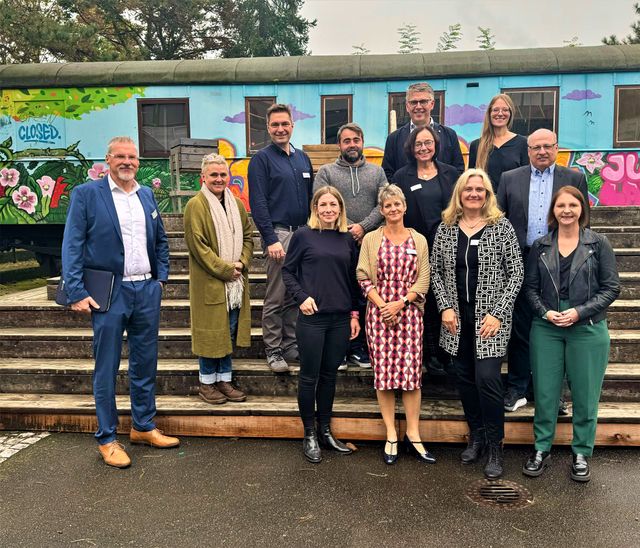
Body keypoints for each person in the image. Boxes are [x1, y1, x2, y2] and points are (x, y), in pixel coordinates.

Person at [61, 136, 177, 468]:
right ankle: (108, 438)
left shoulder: (146, 195)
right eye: (120, 157)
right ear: (108, 159)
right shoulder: (87, 194)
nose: (127, 162)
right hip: (108, 294)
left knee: (145, 364)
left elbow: (161, 241)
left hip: (145, 291)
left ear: (138, 162)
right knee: (107, 368)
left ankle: (143, 426)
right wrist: (76, 291)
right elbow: (72, 244)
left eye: (132, 157)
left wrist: (161, 279)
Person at [522, 187, 620, 482]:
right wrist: (545, 312)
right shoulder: (540, 245)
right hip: (547, 326)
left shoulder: (598, 243)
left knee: (586, 395)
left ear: (582, 208)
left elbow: (611, 287)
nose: (566, 210)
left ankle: (581, 452)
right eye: (561, 205)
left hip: (587, 328)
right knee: (546, 392)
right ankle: (541, 448)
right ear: (553, 210)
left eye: (572, 205)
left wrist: (579, 312)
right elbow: (529, 288)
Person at [430, 169, 523, 479]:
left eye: (479, 189)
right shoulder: (446, 228)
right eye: (468, 189)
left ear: (487, 195)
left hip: (489, 320)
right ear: (459, 193)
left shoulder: (501, 227)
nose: (473, 194)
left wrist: (498, 312)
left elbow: (516, 274)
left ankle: (496, 445)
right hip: (456, 319)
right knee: (465, 378)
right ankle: (477, 435)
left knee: (488, 380)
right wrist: (444, 307)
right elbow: (436, 272)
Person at [497, 128, 589, 413]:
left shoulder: (574, 178)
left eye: (547, 146)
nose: (541, 152)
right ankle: (517, 387)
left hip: (558, 258)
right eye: (536, 147)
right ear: (528, 151)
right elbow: (499, 220)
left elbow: (584, 221)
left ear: (556, 148)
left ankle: (550, 392)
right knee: (520, 325)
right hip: (518, 258)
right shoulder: (510, 179)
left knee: (553, 324)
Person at [282, 186, 360, 463]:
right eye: (323, 205)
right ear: (315, 208)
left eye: (333, 205)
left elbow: (352, 279)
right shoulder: (303, 235)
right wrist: (301, 297)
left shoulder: (347, 239)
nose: (328, 209)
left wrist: (354, 314)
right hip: (313, 319)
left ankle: (326, 430)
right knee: (309, 376)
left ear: (340, 208)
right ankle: (310, 434)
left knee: (330, 376)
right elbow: (288, 271)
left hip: (340, 319)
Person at [357, 184, 433, 466]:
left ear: (405, 207)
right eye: (387, 206)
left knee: (411, 377)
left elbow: (424, 279)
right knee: (385, 376)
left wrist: (401, 303)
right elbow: (363, 275)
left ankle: (413, 433)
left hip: (409, 314)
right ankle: (391, 433)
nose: (393, 209)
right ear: (381, 210)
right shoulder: (371, 239)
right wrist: (383, 306)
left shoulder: (419, 240)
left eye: (397, 204)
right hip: (378, 315)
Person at [314, 123, 387, 368]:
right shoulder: (326, 172)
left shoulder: (377, 172)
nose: (352, 144)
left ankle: (360, 348)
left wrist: (363, 227)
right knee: (341, 293)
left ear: (362, 141)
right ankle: (340, 348)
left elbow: (383, 203)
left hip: (370, 243)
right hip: (336, 242)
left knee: (366, 294)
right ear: (339, 145)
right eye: (347, 141)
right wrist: (348, 228)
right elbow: (321, 201)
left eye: (356, 139)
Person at [248, 103, 313, 373]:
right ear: (268, 127)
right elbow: (258, 202)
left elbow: (311, 199)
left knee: (294, 293)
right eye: (275, 125)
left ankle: (290, 344)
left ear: (292, 126)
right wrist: (271, 238)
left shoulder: (302, 159)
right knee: (276, 295)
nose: (280, 129)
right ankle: (273, 349)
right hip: (279, 235)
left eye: (284, 124)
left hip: (302, 233)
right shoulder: (261, 160)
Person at [184, 154, 254, 405]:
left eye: (223, 174)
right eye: (213, 175)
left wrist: (242, 263)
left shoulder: (235, 204)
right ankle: (207, 383)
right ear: (203, 177)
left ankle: (224, 379)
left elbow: (248, 237)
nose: (219, 179)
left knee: (228, 332)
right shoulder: (196, 205)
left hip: (234, 283)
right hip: (211, 282)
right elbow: (199, 247)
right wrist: (227, 270)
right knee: (211, 333)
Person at [392, 125, 459, 377]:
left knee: (447, 297)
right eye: (418, 144)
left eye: (428, 143)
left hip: (447, 245)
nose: (423, 148)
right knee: (422, 298)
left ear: (436, 145)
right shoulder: (401, 176)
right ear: (411, 147)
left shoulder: (451, 174)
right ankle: (428, 353)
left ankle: (448, 352)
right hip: (414, 246)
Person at [382, 82, 464, 180]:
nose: (418, 107)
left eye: (423, 101)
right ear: (407, 106)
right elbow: (388, 174)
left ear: (432, 104)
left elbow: (458, 171)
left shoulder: (449, 135)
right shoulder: (394, 138)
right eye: (413, 102)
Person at [468, 93, 528, 192]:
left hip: (512, 203)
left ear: (511, 113)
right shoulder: (476, 146)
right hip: (485, 204)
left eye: (505, 110)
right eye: (495, 110)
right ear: (489, 113)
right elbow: (471, 180)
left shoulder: (522, 143)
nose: (500, 113)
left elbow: (526, 179)